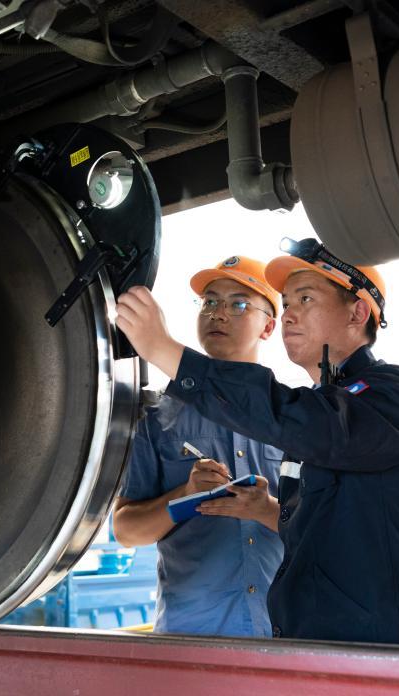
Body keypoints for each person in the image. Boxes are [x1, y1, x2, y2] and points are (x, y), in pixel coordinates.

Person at [115, 238, 399, 648]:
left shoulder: (396, 394)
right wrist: (272, 513)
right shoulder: (309, 417)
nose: (290, 314)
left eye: (305, 298)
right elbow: (331, 528)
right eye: (287, 301)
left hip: (388, 652)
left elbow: (309, 423)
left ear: (358, 312)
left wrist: (166, 352)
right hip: (315, 646)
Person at [112, 256, 285, 637]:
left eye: (238, 304)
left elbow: (322, 529)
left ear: (269, 326)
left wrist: (267, 510)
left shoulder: (292, 417)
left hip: (285, 632)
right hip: (193, 637)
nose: (218, 314)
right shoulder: (157, 417)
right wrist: (185, 495)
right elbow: (126, 531)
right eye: (209, 302)